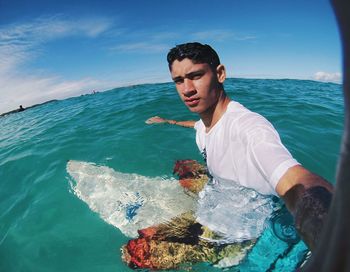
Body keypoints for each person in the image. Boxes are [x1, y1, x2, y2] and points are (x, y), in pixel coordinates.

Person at [146, 42, 333, 252]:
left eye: (196, 76)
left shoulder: (249, 127)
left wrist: (332, 240)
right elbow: (197, 125)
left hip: (236, 230)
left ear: (220, 74)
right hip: (220, 192)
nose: (187, 89)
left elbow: (295, 181)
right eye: (179, 81)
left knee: (139, 252)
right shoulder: (205, 124)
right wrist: (167, 121)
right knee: (182, 166)